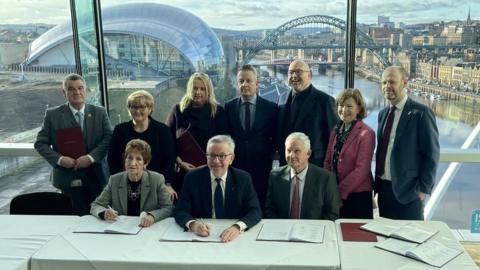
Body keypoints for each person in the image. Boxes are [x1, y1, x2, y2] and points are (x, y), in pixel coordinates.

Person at [34, 73, 112, 215]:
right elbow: (40, 144)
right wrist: (60, 159)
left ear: (86, 90)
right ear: (64, 92)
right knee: (71, 220)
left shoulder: (100, 112)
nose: (77, 92)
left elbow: (109, 139)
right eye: (71, 89)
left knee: (98, 218)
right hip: (67, 178)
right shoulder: (53, 115)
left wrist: (90, 158)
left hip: (96, 177)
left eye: (80, 88)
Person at [375, 66, 439, 220]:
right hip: (384, 190)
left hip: (410, 192)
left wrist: (423, 190)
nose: (386, 86)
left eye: (392, 82)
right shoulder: (383, 114)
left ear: (404, 83)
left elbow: (431, 155)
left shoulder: (421, 113)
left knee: (410, 241)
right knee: (385, 239)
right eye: (383, 82)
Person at [174, 135, 261, 242]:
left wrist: (237, 227)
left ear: (231, 158)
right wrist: (193, 224)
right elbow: (180, 210)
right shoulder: (192, 178)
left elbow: (255, 211)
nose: (216, 161)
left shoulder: (243, 178)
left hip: (233, 238)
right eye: (212, 155)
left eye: (222, 156)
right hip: (202, 236)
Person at [224, 65, 278, 209]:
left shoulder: (271, 108)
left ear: (257, 83)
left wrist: (267, 155)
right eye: (241, 81)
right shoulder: (228, 108)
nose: (245, 84)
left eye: (249, 81)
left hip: (262, 168)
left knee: (261, 206)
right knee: (238, 206)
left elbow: (275, 136)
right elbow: (226, 136)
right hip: (236, 168)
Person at [108, 90, 176, 200]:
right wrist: (117, 182)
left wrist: (167, 184)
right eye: (134, 107)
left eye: (142, 107)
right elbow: (113, 159)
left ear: (150, 109)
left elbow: (169, 159)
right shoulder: (120, 130)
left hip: (156, 184)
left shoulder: (163, 131)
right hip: (127, 183)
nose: (138, 111)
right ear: (129, 109)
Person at [166, 72, 228, 193]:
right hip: (182, 173)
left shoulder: (217, 111)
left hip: (211, 172)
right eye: (195, 88)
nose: (198, 92)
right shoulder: (178, 110)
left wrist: (209, 164)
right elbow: (167, 142)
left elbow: (226, 143)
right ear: (189, 89)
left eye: (202, 89)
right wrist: (180, 162)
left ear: (208, 91)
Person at [91, 139, 173, 227]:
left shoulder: (157, 179)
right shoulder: (114, 180)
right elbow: (96, 205)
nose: (133, 163)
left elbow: (168, 208)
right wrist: (104, 213)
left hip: (147, 230)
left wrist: (152, 216)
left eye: (138, 159)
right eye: (129, 158)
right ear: (125, 160)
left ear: (145, 163)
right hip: (121, 230)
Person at [323, 89, 375, 218]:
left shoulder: (366, 133)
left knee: (355, 235)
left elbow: (361, 170)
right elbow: (327, 161)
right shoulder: (336, 131)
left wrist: (339, 193)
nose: (344, 109)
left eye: (349, 106)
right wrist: (329, 188)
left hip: (357, 196)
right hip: (335, 193)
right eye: (341, 105)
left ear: (359, 109)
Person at [265, 132, 339, 220]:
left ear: (308, 153)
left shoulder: (325, 178)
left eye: (297, 151)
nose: (291, 156)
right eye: (288, 151)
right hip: (283, 230)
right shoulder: (275, 176)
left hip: (313, 230)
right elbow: (269, 210)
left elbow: (332, 214)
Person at [277, 59, 338, 167]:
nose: (294, 76)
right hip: (286, 165)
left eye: (299, 72)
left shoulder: (325, 101)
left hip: (314, 166)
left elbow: (333, 140)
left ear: (309, 75)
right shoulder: (282, 98)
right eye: (291, 72)